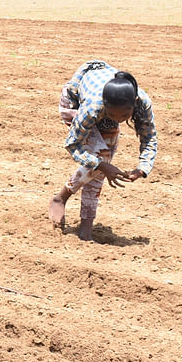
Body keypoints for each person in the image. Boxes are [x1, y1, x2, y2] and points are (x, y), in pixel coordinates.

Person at [48, 60, 157, 241]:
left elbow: (149, 137)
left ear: (134, 103)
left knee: (102, 162)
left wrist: (142, 169)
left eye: (124, 115)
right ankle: (63, 200)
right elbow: (73, 144)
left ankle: (85, 224)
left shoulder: (142, 103)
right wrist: (103, 166)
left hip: (103, 108)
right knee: (101, 160)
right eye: (113, 115)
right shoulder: (92, 107)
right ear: (105, 106)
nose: (119, 120)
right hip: (73, 104)